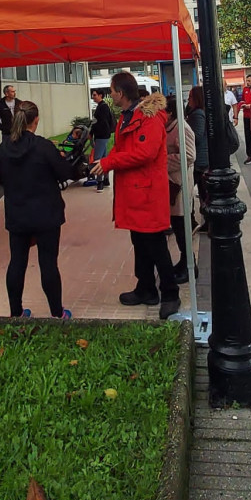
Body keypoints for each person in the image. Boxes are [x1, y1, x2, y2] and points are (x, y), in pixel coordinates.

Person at [90, 72, 179, 319]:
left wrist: (110, 162)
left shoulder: (148, 118)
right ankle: (146, 288)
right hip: (135, 193)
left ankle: (170, 293)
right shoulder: (127, 118)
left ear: (120, 92)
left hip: (147, 194)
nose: (110, 95)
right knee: (140, 244)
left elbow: (145, 153)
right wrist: (105, 159)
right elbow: (123, 148)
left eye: (111, 90)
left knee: (156, 245)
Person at [0, 100, 72, 319]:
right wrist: (61, 159)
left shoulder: (3, 149)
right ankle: (57, 314)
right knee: (48, 263)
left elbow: (1, 178)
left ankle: (16, 313)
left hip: (17, 212)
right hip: (46, 212)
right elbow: (63, 173)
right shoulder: (44, 146)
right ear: (35, 120)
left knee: (17, 261)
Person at [165, 95, 198, 284]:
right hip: (170, 182)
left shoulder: (182, 128)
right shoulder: (170, 127)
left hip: (179, 184)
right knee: (177, 226)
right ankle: (185, 261)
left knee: (182, 225)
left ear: (169, 112)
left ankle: (190, 265)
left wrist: (163, 161)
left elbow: (189, 156)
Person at [185, 86, 210, 225]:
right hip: (201, 158)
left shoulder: (198, 114)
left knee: (188, 191)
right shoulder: (197, 112)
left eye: (190, 97)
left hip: (199, 159)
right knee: (203, 192)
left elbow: (197, 136)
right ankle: (205, 221)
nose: (188, 100)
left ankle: (193, 220)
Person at [90, 88, 114, 192]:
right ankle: (106, 179)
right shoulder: (102, 106)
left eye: (94, 95)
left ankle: (99, 182)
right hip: (104, 135)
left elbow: (100, 123)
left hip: (101, 136)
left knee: (97, 159)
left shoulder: (102, 108)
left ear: (100, 95)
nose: (93, 97)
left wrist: (92, 133)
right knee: (104, 158)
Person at [235, 75, 251, 164]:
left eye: (249, 81)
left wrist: (250, 105)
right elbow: (243, 100)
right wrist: (243, 104)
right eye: (246, 81)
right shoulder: (245, 90)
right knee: (248, 136)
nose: (247, 83)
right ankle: (250, 155)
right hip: (246, 115)